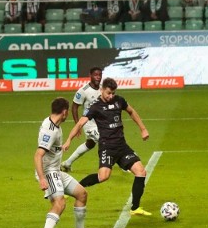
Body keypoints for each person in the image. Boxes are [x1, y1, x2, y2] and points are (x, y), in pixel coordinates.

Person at [63, 77, 152, 217]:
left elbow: (131, 111)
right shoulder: (95, 106)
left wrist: (143, 129)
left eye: (113, 93)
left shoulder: (119, 100)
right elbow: (80, 123)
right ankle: (73, 188)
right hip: (107, 147)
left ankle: (135, 208)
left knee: (141, 172)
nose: (111, 96)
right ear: (102, 90)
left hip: (122, 146)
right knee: (103, 176)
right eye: (108, 93)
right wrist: (68, 140)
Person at [35, 97, 97, 228]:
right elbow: (38, 155)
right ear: (64, 112)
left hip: (55, 171)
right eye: (67, 111)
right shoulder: (50, 131)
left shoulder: (54, 124)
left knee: (82, 194)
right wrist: (42, 178)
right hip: (48, 172)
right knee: (60, 203)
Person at [61, 67, 102, 173]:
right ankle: (124, 164)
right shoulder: (83, 91)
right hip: (89, 124)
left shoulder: (102, 89)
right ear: (90, 75)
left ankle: (67, 163)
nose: (98, 77)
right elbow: (74, 107)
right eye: (95, 75)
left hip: (101, 123)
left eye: (99, 75)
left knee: (90, 144)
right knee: (107, 141)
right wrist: (78, 125)